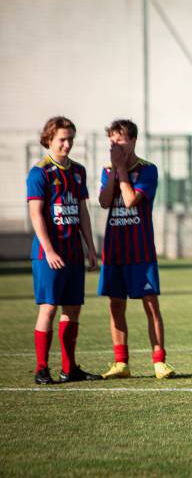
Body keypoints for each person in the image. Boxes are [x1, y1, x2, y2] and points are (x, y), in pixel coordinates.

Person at [97, 119, 174, 379]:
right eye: (111, 141)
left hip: (140, 250)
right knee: (115, 305)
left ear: (132, 141)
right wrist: (115, 172)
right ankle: (121, 363)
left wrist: (121, 168)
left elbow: (129, 200)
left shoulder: (147, 170)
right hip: (114, 250)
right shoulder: (107, 171)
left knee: (150, 305)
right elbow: (105, 201)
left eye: (119, 140)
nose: (114, 146)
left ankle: (159, 361)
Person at [27, 116, 101, 384]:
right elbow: (35, 214)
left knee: (73, 308)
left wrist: (91, 249)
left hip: (73, 253)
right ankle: (41, 368)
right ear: (49, 139)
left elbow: (82, 212)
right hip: (49, 254)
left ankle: (70, 368)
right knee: (48, 307)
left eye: (70, 138)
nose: (67, 144)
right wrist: (49, 250)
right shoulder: (40, 172)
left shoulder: (78, 171)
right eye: (62, 139)